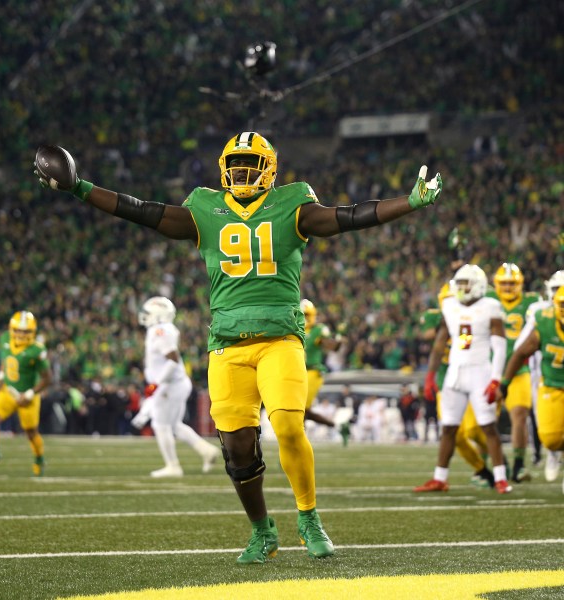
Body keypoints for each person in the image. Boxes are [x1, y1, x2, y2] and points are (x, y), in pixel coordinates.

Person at [34, 132, 442, 563]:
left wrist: (409, 202)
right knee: (238, 449)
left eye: (251, 164)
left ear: (269, 169)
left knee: (287, 425)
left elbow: (350, 216)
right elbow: (142, 210)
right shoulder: (205, 209)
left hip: (279, 340)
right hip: (227, 346)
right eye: (236, 163)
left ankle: (308, 518)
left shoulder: (292, 203)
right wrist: (80, 188)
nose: (242, 172)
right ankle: (262, 530)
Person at [414, 264, 512, 494]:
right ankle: (440, 478)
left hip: (480, 372)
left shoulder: (491, 306)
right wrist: (430, 375)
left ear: (477, 285)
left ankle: (500, 477)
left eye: (465, 283)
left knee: (488, 427)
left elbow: (500, 347)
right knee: (448, 427)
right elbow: (440, 343)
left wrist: (496, 379)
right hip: (455, 372)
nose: (461, 288)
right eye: (458, 284)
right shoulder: (449, 305)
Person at [130, 296, 219, 477]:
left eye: (148, 313)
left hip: (170, 384)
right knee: (175, 425)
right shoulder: (160, 329)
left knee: (160, 425)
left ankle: (173, 466)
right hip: (173, 383)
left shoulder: (160, 330)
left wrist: (156, 384)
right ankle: (207, 451)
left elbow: (172, 361)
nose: (145, 316)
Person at [420, 282, 494, 487]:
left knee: (472, 430)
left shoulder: (470, 318)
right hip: (446, 382)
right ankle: (482, 469)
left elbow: (466, 344)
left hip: (469, 378)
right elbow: (427, 335)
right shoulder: (435, 317)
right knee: (455, 434)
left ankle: (495, 460)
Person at [498, 285, 564, 492]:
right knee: (550, 439)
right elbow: (519, 353)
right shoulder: (544, 322)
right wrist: (505, 383)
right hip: (552, 386)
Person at [0, 311, 52, 476]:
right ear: (12, 329)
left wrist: (29, 394)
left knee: (30, 432)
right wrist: (0, 376)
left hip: (27, 396)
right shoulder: (5, 339)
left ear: (33, 332)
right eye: (19, 330)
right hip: (8, 391)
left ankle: (39, 458)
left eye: (26, 331)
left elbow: (48, 379)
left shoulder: (37, 350)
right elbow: (6, 361)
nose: (21, 334)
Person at [488, 263, 541, 482]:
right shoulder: (488, 301)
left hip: (520, 370)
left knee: (519, 415)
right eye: (504, 283)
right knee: (485, 422)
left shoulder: (531, 303)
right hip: (491, 370)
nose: (508, 287)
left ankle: (519, 464)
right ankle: (498, 462)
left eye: (512, 283)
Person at [513, 270, 564, 482]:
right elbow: (520, 345)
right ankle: (551, 453)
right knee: (544, 424)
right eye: (555, 289)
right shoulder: (539, 311)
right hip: (541, 375)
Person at [300, 299, 346, 437]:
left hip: (313, 372)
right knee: (300, 411)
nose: (304, 318)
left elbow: (330, 344)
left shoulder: (318, 330)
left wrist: (336, 343)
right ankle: (338, 426)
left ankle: (297, 448)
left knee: (300, 411)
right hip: (297, 372)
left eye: (306, 315)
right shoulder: (294, 329)